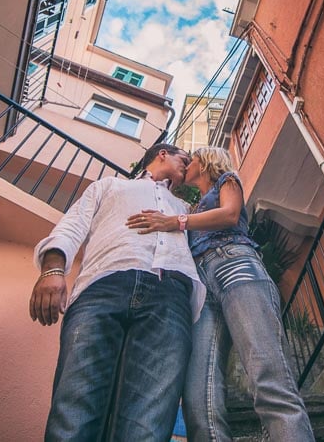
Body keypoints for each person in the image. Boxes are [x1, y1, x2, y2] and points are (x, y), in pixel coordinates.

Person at [126, 146, 314, 441]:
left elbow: (230, 214)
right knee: (199, 399)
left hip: (234, 263)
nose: (186, 164)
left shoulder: (227, 180)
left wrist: (176, 222)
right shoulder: (192, 208)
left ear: (204, 162)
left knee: (268, 375)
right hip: (201, 286)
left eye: (191, 159)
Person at [29, 143, 205, 442]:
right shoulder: (109, 186)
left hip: (171, 296)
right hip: (102, 286)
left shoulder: (185, 210)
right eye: (184, 159)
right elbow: (71, 226)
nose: (187, 166)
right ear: (162, 154)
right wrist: (52, 270)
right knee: (74, 411)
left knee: (147, 427)